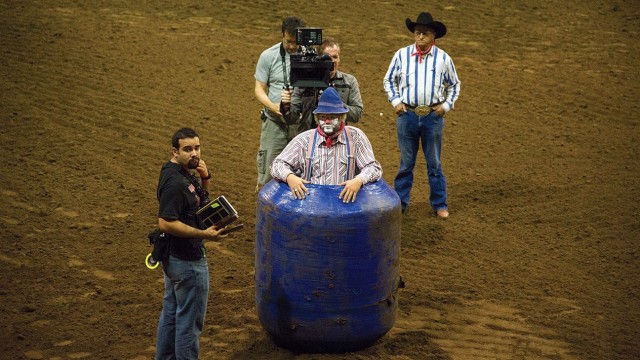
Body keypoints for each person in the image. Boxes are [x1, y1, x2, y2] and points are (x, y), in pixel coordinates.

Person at [155, 127, 226, 359]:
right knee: (189, 324)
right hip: (188, 262)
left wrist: (205, 179)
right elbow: (166, 223)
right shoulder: (176, 183)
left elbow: (198, 205)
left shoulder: (179, 172)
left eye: (197, 148)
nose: (194, 154)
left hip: (173, 258)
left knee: (172, 315)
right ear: (174, 151)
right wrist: (204, 234)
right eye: (187, 149)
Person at [383, 11, 461, 219]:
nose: (420, 37)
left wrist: (446, 106)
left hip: (432, 117)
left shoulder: (444, 59)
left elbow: (454, 85)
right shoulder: (401, 55)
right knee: (406, 163)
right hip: (407, 114)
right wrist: (396, 101)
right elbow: (388, 80)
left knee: (434, 163)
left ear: (433, 35)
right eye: (417, 33)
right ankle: (400, 203)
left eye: (424, 33)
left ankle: (439, 204)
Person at [271, 87, 382, 203]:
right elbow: (277, 164)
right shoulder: (304, 140)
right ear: (317, 119)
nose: (327, 121)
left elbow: (373, 168)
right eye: (323, 117)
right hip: (311, 205)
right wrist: (290, 177)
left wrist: (359, 180)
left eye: (333, 117)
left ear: (342, 118)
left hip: (345, 205)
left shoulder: (356, 138)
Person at [255, 16, 306, 189]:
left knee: (303, 173)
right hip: (274, 123)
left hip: (301, 125)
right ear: (281, 35)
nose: (292, 46)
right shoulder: (268, 56)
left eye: (295, 42)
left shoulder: (310, 57)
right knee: (269, 172)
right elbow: (259, 89)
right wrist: (272, 106)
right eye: (288, 41)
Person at [281, 37, 364, 131]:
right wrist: (286, 106)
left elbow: (357, 114)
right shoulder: (304, 82)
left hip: (338, 137)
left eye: (335, 57)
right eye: (327, 57)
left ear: (339, 59)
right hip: (309, 138)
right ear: (319, 60)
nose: (332, 61)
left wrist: (335, 104)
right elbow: (291, 119)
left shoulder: (349, 81)